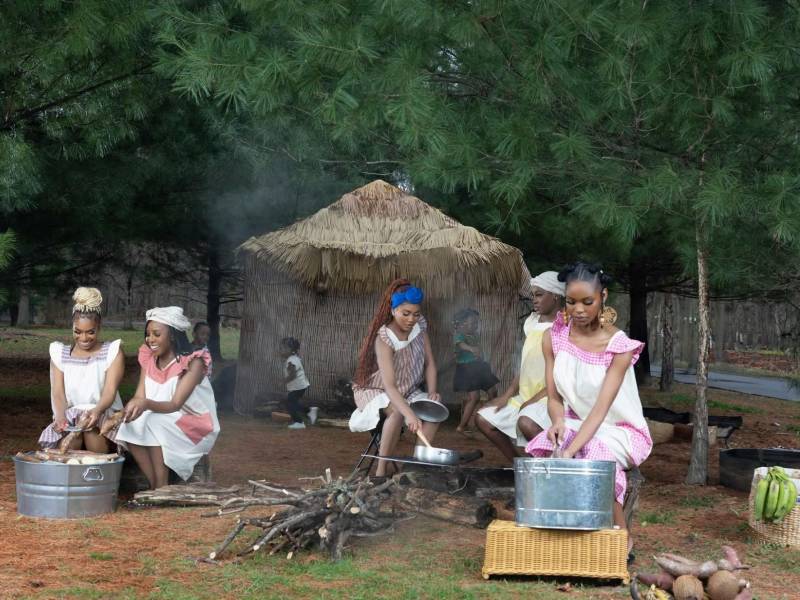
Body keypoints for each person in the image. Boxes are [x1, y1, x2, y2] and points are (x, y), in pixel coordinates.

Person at [526, 262, 652, 542]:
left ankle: (621, 537)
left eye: (587, 302)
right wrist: (557, 420)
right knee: (547, 446)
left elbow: (599, 412)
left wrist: (571, 450)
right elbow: (554, 396)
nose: (578, 310)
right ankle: (565, 529)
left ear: (603, 297)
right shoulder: (553, 338)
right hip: (575, 421)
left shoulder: (618, 347)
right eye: (571, 302)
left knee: (591, 456)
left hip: (620, 430)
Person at [116, 306, 220, 489]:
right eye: (148, 334)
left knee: (155, 422)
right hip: (164, 417)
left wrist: (145, 404)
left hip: (194, 425)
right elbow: (139, 396)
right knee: (128, 426)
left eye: (156, 334)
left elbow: (175, 404)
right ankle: (154, 484)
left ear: (172, 335)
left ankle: (161, 486)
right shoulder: (149, 359)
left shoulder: (193, 362)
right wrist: (121, 415)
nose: (150, 340)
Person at [349, 279, 442, 477]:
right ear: (393, 311)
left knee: (435, 413)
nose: (411, 319)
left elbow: (430, 364)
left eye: (416, 314)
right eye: (405, 314)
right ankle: (381, 472)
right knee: (397, 413)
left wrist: (433, 391)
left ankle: (417, 466)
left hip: (408, 389)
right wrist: (409, 413)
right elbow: (390, 387)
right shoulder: (384, 339)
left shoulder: (419, 329)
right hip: (377, 390)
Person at [475, 272, 564, 461]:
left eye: (539, 294)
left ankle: (556, 467)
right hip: (525, 396)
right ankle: (519, 465)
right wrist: (506, 396)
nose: (535, 300)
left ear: (555, 296)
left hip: (550, 398)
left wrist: (532, 401)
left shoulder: (564, 328)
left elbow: (562, 376)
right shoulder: (531, 323)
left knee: (527, 423)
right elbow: (525, 365)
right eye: (533, 295)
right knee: (483, 419)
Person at [39, 287, 125, 452]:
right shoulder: (60, 354)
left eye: (90, 332)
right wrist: (60, 416)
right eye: (78, 332)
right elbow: (58, 393)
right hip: (71, 415)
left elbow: (109, 392)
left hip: (103, 413)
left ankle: (98, 472)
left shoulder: (112, 352)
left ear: (99, 326)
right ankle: (72, 474)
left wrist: (97, 410)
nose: (84, 338)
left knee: (92, 435)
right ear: (72, 327)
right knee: (71, 442)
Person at [452, 309, 499, 435]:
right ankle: (461, 426)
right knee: (474, 398)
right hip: (467, 369)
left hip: (479, 367)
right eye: (472, 323)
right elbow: (461, 345)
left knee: (493, 391)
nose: (475, 326)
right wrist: (471, 349)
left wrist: (481, 356)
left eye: (476, 323)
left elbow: (479, 351)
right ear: (462, 324)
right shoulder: (459, 335)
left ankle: (490, 421)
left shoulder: (475, 335)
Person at [280, 337, 311, 430]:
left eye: (284, 348)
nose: (282, 350)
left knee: (290, 404)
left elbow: (292, 375)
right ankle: (309, 411)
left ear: (291, 350)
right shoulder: (293, 358)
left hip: (298, 387)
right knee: (292, 402)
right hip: (300, 386)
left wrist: (283, 381)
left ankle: (299, 422)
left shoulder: (291, 360)